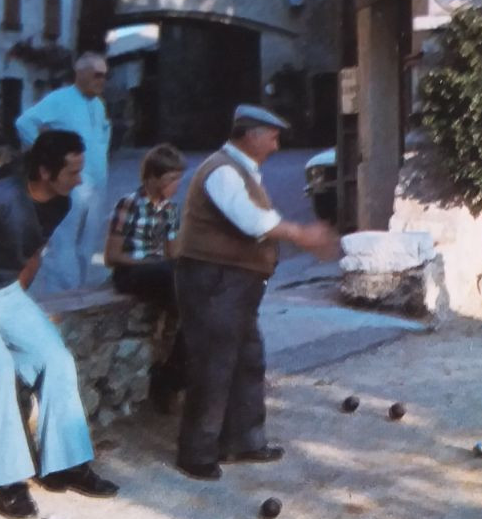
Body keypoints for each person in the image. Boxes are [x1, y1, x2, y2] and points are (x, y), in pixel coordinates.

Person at [0, 130, 119, 519]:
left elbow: (30, 256)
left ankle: (65, 465)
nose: (80, 180)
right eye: (73, 171)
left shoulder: (60, 202)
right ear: (45, 171)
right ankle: (1, 480)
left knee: (57, 359)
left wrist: (20, 313)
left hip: (8, 294)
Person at [172, 105, 340, 481]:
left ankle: (244, 440)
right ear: (251, 135)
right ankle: (196, 453)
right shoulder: (221, 172)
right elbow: (251, 221)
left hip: (235, 285)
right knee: (214, 364)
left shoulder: (241, 170)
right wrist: (301, 234)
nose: (277, 146)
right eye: (273, 137)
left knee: (248, 359)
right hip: (213, 282)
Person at [15, 52, 112, 295]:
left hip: (97, 185)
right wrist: (48, 156)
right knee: (64, 242)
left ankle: (77, 293)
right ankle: (61, 297)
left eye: (104, 76)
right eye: (97, 75)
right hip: (70, 184)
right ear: (81, 74)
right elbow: (24, 123)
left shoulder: (98, 105)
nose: (102, 81)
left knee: (87, 245)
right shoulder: (60, 99)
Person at [104, 143, 188, 414]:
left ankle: (171, 377)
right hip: (131, 271)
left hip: (161, 272)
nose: (175, 185)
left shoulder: (170, 209)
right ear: (152, 178)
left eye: (178, 180)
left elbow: (173, 253)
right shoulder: (130, 203)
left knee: (196, 301)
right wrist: (152, 263)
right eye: (170, 180)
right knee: (172, 277)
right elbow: (112, 255)